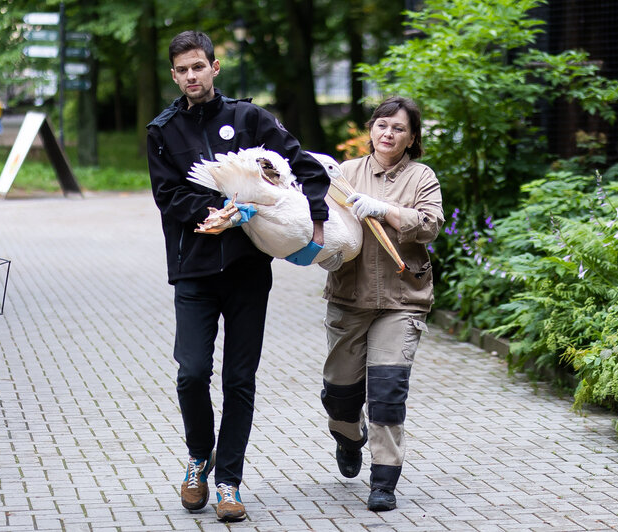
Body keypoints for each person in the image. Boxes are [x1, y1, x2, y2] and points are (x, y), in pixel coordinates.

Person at [146, 30, 330, 522]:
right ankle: (198, 459)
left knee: (239, 379)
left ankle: (228, 481)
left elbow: (305, 166)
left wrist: (310, 216)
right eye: (182, 70)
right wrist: (219, 209)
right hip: (193, 269)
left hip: (248, 269)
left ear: (214, 67)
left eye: (198, 67)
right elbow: (168, 196)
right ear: (174, 74)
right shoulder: (162, 130)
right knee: (191, 373)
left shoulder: (248, 119)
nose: (191, 76)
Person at [318, 96, 444, 511]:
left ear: (412, 139)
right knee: (339, 396)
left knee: (388, 393)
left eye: (400, 129)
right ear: (371, 128)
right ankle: (348, 437)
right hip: (348, 299)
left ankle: (383, 482)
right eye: (383, 125)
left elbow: (429, 226)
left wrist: (385, 210)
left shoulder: (422, 177)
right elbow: (322, 225)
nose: (389, 134)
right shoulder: (345, 174)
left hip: (402, 300)